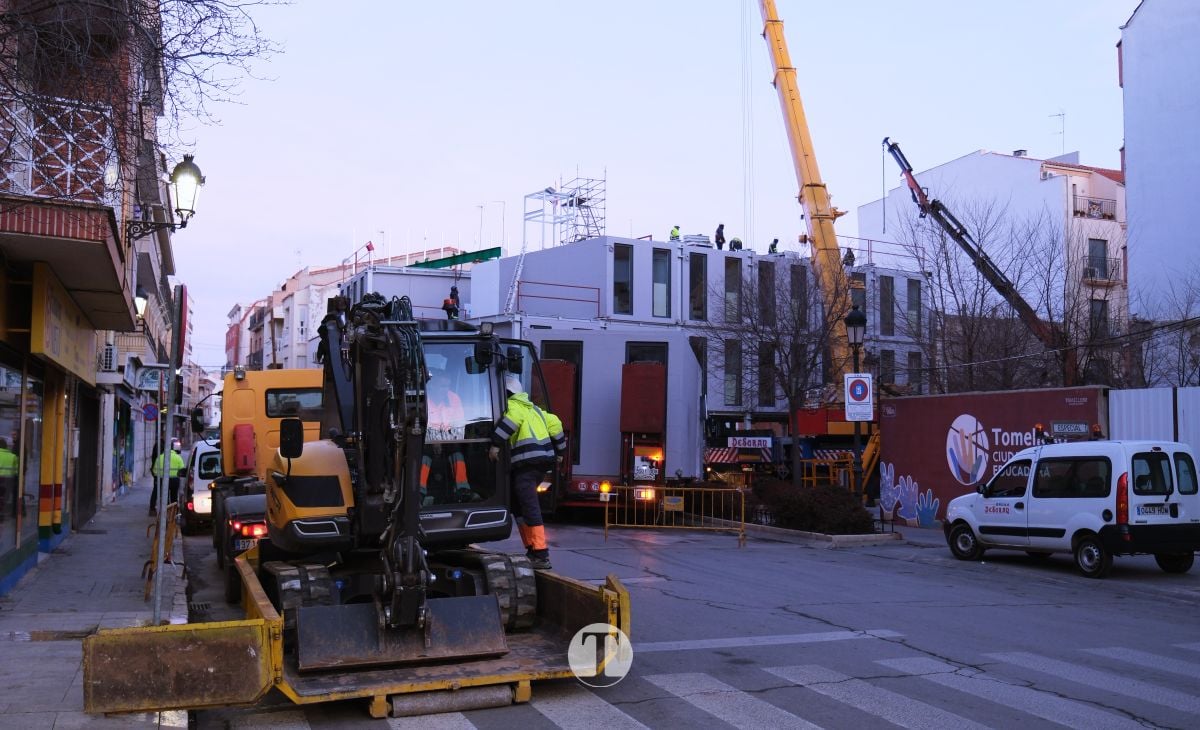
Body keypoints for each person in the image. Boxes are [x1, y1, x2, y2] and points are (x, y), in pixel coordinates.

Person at [489, 374, 566, 570]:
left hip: (527, 463)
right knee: (519, 505)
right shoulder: (536, 410)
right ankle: (532, 548)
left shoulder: (514, 407)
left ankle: (540, 553)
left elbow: (511, 421)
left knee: (529, 506)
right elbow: (556, 423)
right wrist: (560, 451)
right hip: (540, 464)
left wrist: (496, 445)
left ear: (507, 393)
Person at [422, 362, 471, 504]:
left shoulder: (454, 398)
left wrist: (445, 439)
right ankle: (419, 492)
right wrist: (435, 440)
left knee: (457, 452)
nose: (446, 390)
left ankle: (462, 490)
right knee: (424, 454)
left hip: (449, 437)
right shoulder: (425, 398)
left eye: (448, 386)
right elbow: (425, 422)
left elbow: (459, 423)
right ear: (432, 386)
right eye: (443, 386)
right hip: (428, 438)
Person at [149, 441, 185, 516]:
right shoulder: (178, 457)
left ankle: (165, 512)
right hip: (175, 480)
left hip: (163, 480)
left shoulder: (160, 457)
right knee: (174, 496)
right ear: (173, 448)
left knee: (164, 497)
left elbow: (155, 471)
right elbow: (182, 470)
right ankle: (173, 512)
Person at [0, 438, 17, 523]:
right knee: (4, 498)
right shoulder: (12, 456)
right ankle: (1, 514)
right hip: (8, 480)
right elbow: (16, 471)